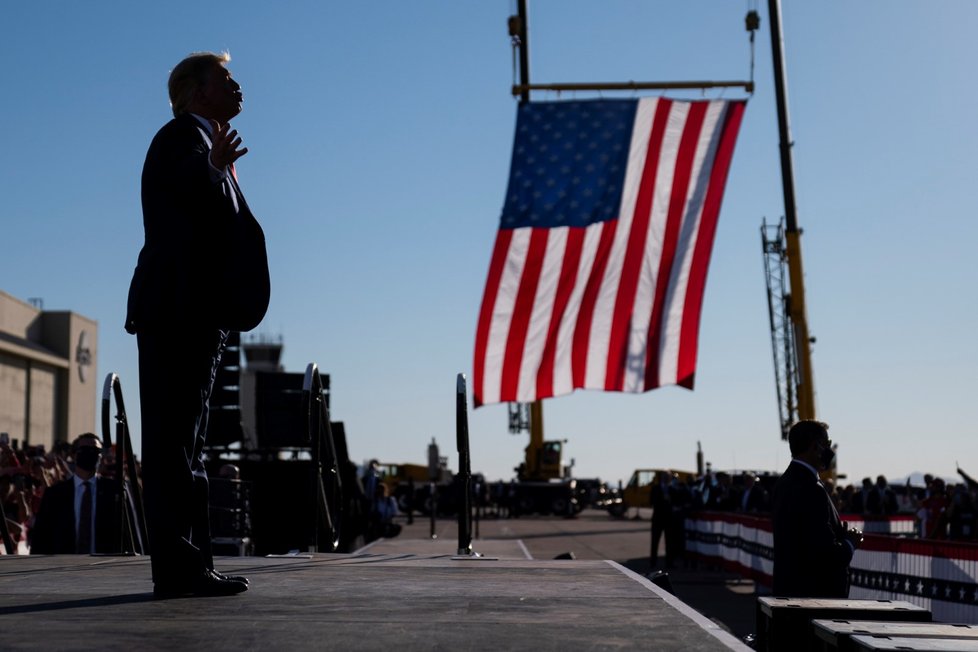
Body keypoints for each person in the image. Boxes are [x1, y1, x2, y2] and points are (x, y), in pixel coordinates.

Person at [125, 51, 270, 598]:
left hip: (196, 317)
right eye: (227, 79)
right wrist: (211, 166)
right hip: (175, 315)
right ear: (196, 91)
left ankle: (191, 566)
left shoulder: (206, 145)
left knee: (187, 444)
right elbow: (181, 187)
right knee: (172, 446)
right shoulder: (178, 139)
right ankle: (179, 568)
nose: (238, 87)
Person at [772, 420, 862, 598]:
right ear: (815, 446)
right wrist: (850, 542)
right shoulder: (812, 488)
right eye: (827, 444)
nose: (829, 450)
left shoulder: (783, 483)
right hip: (815, 595)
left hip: (788, 590)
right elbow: (823, 554)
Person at [30, 434, 121, 554]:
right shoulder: (55, 494)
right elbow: (41, 536)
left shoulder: (113, 490)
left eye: (95, 450)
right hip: (63, 566)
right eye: (84, 450)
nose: (89, 454)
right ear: (73, 455)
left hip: (104, 566)